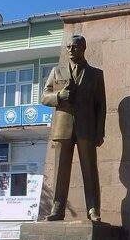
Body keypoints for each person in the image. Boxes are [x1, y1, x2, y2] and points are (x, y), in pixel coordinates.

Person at [41, 34, 106, 222]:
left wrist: (100, 131)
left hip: (86, 128)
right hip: (63, 127)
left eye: (75, 47)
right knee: (61, 171)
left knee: (90, 170)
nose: (70, 50)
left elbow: (101, 106)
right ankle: (57, 208)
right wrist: (59, 95)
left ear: (83, 48)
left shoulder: (96, 74)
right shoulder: (57, 72)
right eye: (68, 47)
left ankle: (93, 209)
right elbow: (44, 97)